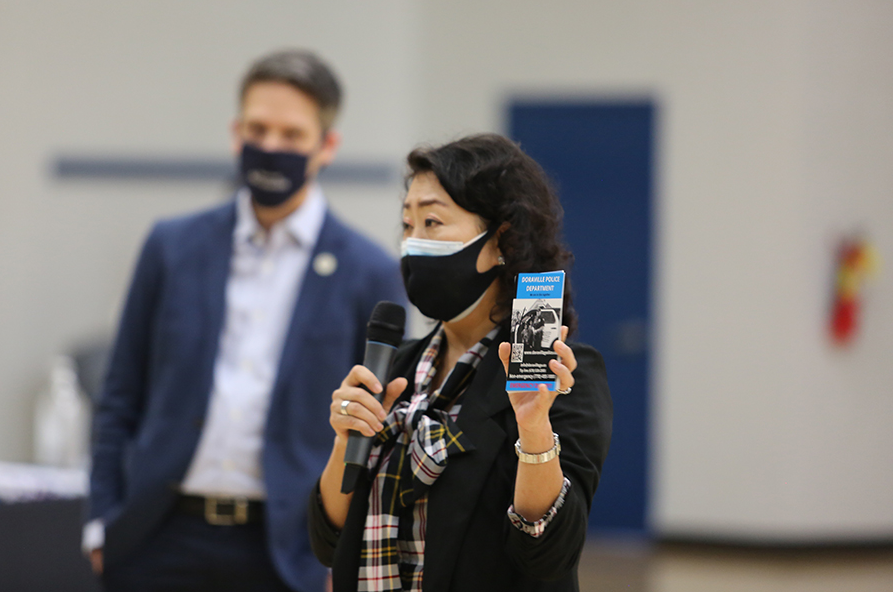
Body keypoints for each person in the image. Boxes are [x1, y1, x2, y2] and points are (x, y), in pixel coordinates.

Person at [85, 49, 407, 592]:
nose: (271, 146)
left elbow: (381, 429)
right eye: (258, 129)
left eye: (292, 134)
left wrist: (346, 554)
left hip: (291, 553)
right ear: (236, 133)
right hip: (157, 538)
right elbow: (119, 394)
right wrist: (101, 522)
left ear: (327, 146)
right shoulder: (171, 246)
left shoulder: (368, 271)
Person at [309, 134, 613, 591]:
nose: (412, 243)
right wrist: (343, 440)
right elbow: (329, 542)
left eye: (432, 222)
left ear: (501, 240)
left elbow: (548, 555)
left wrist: (533, 429)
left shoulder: (561, 376)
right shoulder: (395, 369)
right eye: (407, 224)